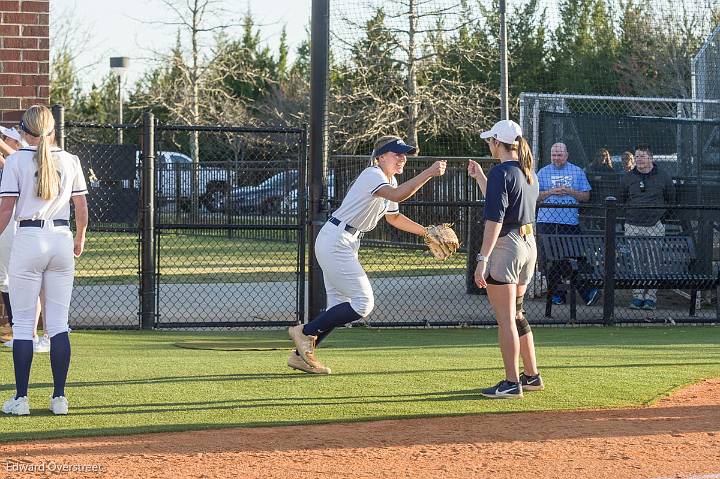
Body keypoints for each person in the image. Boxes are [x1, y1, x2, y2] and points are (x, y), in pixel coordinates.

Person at [287, 135, 446, 374]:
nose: (402, 158)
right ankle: (304, 331)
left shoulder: (388, 179)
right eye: (397, 154)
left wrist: (426, 232)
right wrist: (428, 173)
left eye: (404, 154)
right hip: (336, 240)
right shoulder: (373, 175)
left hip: (345, 241)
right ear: (380, 156)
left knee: (339, 306)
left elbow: (394, 217)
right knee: (363, 303)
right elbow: (398, 195)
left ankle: (301, 355)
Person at [0, 105, 88, 416]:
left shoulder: (15, 161)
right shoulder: (69, 159)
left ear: (24, 131)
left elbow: (6, 210)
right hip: (61, 239)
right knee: (58, 324)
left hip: (29, 238)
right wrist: (79, 238)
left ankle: (21, 400)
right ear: (51, 131)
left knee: (24, 325)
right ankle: (59, 399)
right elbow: (81, 206)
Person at [469, 119, 543, 399]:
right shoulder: (527, 172)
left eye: (490, 141)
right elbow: (505, 201)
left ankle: (512, 382)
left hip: (507, 246)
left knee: (506, 320)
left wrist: (482, 258)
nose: (489, 144)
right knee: (517, 313)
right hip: (528, 243)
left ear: (497, 143)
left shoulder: (501, 171)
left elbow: (495, 218)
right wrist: (480, 178)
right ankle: (531, 376)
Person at [0, 126, 49, 353]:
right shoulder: (17, 160)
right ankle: (23, 332)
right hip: (20, 224)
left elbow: (12, 156)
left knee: (35, 281)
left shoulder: (28, 157)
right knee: (9, 278)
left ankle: (42, 334)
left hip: (30, 225)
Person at [536, 142, 599, 306]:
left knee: (574, 257)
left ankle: (585, 291)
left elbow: (586, 196)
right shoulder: (543, 172)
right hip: (547, 221)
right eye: (554, 155)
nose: (556, 158)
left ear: (567, 155)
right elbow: (534, 197)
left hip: (569, 222)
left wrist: (569, 191)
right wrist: (551, 192)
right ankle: (557, 294)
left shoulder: (577, 171)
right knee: (551, 259)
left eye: (560, 155)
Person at [618, 144, 675, 310]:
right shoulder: (628, 177)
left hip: (654, 226)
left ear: (651, 158)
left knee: (652, 263)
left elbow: (671, 198)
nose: (639, 159)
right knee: (636, 263)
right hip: (632, 225)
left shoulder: (663, 176)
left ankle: (650, 298)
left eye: (642, 156)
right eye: (637, 156)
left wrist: (660, 218)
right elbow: (621, 198)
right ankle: (637, 296)